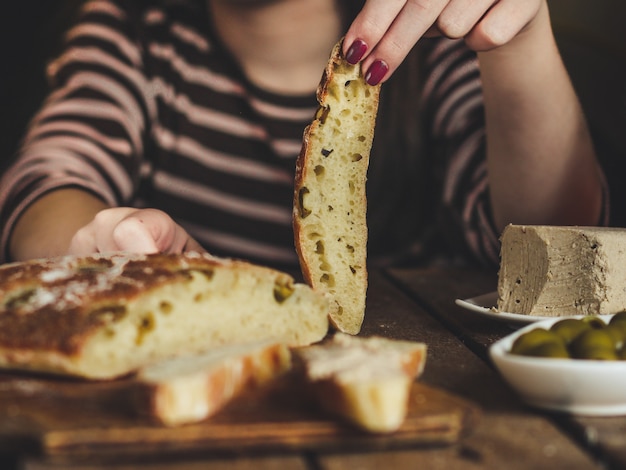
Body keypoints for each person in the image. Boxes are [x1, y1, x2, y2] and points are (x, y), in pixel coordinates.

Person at [0, 0, 606, 270]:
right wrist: (99, 243)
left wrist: (519, 42)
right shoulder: (135, 32)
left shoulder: (436, 38)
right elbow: (50, 179)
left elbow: (550, 240)